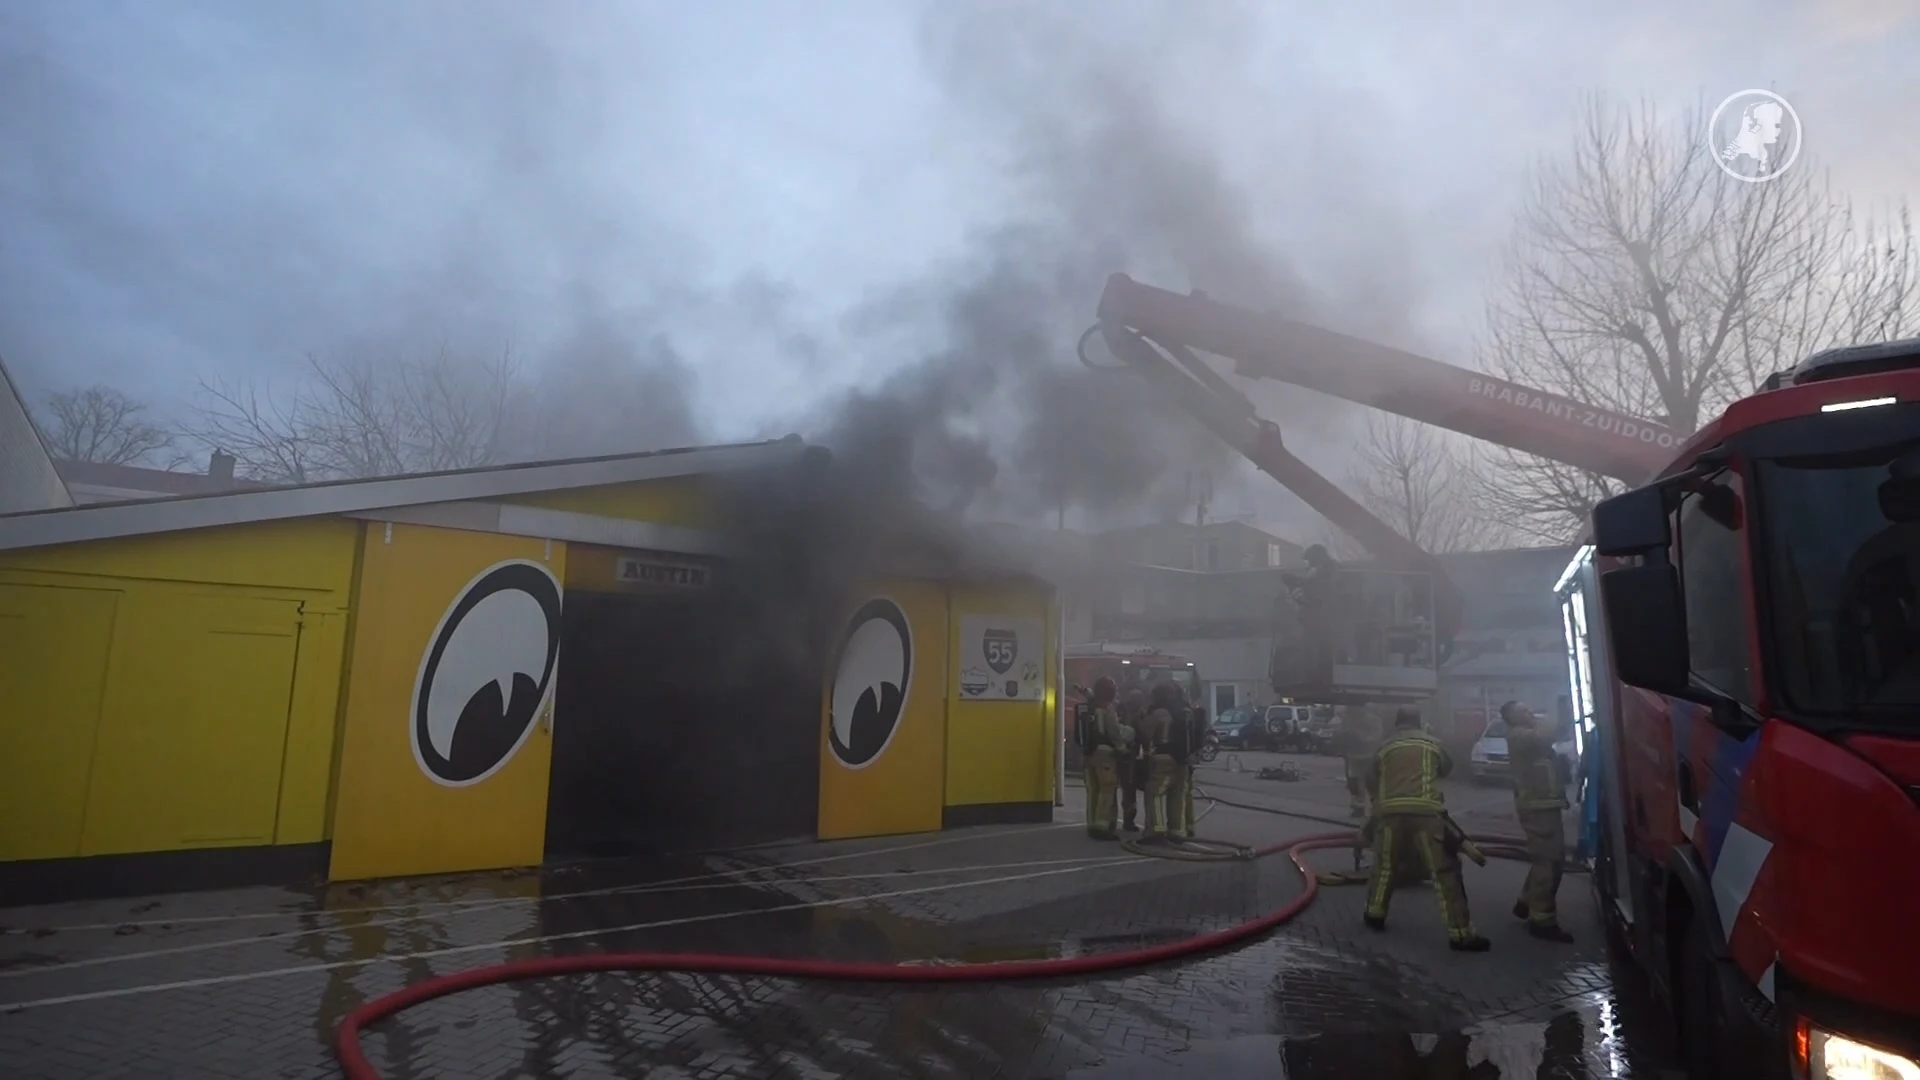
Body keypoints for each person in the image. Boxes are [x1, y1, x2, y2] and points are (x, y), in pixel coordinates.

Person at [1362, 705, 1489, 951]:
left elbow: (1370, 779)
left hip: (1390, 815)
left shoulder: (1384, 746)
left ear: (1397, 724)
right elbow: (1446, 768)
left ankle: (1374, 914)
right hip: (1426, 815)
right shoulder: (1432, 743)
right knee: (1444, 871)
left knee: (1385, 866)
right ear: (1419, 722)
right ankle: (1461, 934)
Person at [1502, 700, 1575, 942]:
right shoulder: (1520, 737)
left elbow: (1558, 733)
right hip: (1537, 809)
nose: (1530, 711)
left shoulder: (1526, 736)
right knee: (1548, 862)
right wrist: (1560, 710)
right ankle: (1542, 921)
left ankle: (1525, 902)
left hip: (1544, 807)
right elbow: (1546, 734)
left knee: (1547, 858)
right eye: (1523, 711)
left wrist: (1566, 717)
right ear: (1512, 719)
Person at [1142, 682, 1194, 842]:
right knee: (1178, 795)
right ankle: (1177, 831)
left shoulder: (1160, 713)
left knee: (1154, 793)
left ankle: (1156, 829)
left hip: (1164, 759)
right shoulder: (1186, 711)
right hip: (1184, 760)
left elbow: (1145, 732)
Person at [1080, 676, 1128, 841]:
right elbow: (1114, 732)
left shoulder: (1090, 706)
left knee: (1093, 790)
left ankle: (1092, 824)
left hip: (1089, 753)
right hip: (1106, 754)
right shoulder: (1108, 709)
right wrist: (1122, 749)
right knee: (1107, 789)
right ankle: (1103, 826)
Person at [1332, 705, 1381, 819]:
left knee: (1369, 783)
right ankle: (1358, 807)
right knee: (1354, 781)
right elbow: (1340, 734)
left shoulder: (1373, 720)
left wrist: (1360, 737)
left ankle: (1369, 807)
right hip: (1353, 756)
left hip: (1368, 755)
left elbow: (1377, 736)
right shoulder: (1348, 720)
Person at [1117, 688, 1149, 832]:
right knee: (1130, 791)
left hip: (1131, 757)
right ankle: (1129, 821)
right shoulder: (1137, 715)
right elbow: (1143, 734)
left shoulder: (1123, 712)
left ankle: (1129, 821)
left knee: (1129, 791)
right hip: (1131, 758)